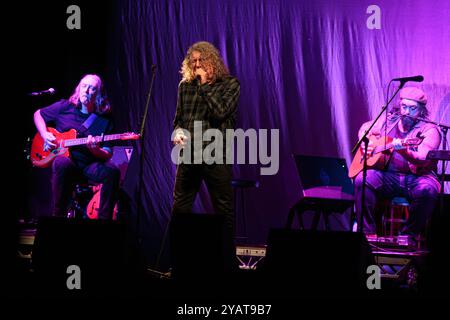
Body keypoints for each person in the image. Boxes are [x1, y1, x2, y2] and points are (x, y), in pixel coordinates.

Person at [171, 41, 240, 240]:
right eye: (193, 61)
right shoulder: (185, 87)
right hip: (189, 156)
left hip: (215, 155)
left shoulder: (230, 84)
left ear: (213, 61)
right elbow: (178, 121)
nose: (197, 65)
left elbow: (220, 113)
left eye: (202, 60)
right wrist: (177, 133)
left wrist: (203, 86)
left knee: (223, 210)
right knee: (180, 209)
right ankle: (178, 262)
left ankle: (226, 263)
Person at [354, 86, 441, 242]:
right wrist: (364, 142)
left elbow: (421, 158)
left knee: (428, 189)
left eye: (412, 108)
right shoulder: (389, 121)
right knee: (362, 179)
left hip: (417, 177)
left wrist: (404, 151)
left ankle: (408, 236)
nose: (407, 112)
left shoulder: (429, 130)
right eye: (404, 106)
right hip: (389, 176)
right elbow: (364, 129)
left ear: (421, 110)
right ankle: (367, 235)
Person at [33, 74, 120, 219]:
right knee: (61, 162)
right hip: (68, 163)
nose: (86, 90)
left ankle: (104, 222)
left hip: (90, 165)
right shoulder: (64, 106)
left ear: (98, 94)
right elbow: (38, 114)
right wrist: (44, 134)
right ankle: (58, 216)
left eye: (92, 88)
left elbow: (107, 153)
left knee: (113, 172)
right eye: (84, 86)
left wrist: (95, 149)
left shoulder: (105, 120)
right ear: (79, 89)